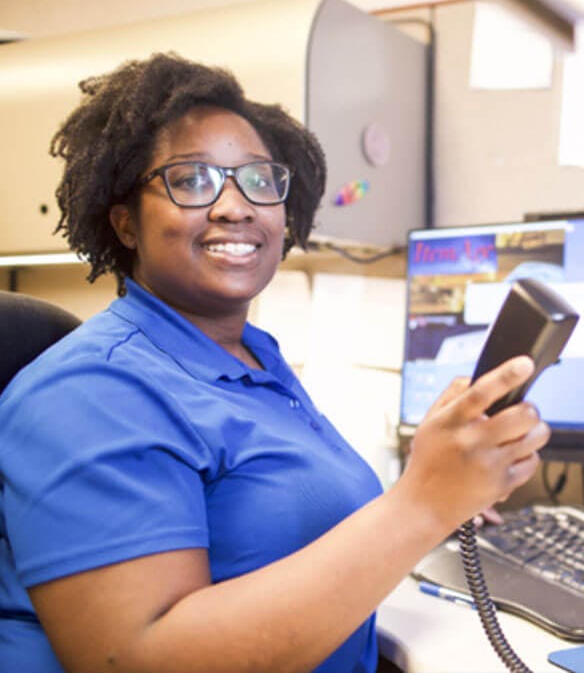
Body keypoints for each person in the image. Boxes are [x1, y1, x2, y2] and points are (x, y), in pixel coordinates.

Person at [0, 52, 550, 673]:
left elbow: (273, 521)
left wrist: (445, 488)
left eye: (259, 180)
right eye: (193, 179)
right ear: (125, 222)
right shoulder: (90, 390)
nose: (236, 206)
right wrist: (420, 505)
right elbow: (141, 658)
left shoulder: (253, 357)